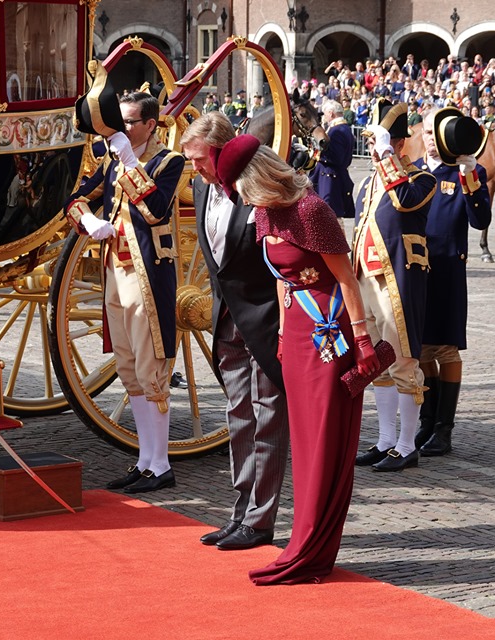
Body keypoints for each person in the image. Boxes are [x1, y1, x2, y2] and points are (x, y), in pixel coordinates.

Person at [212, 134, 377, 585]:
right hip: (298, 337)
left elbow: (346, 279)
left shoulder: (310, 210)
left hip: (331, 332)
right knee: (303, 443)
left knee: (323, 443)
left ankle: (312, 550)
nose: (241, 198)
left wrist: (361, 342)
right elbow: (280, 277)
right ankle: (300, 541)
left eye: (241, 186)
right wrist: (283, 336)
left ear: (258, 177)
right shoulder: (265, 212)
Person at [66, 85, 185, 493]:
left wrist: (129, 159)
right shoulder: (114, 160)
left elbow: (153, 210)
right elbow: (77, 198)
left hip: (147, 274)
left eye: (130, 121)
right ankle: (145, 459)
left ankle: (162, 463)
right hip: (115, 271)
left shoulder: (170, 161)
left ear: (150, 124)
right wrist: (88, 222)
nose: (121, 127)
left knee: (151, 364)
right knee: (128, 365)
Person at [182, 113, 289, 551]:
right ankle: (241, 512)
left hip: (265, 322)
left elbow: (286, 259)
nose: (194, 169)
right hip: (226, 321)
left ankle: (261, 522)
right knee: (238, 417)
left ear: (222, 151)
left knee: (266, 418)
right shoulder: (200, 188)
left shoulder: (259, 186)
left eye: (198, 160)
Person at [352, 99, 436, 472]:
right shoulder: (371, 181)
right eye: (371, 144)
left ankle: (406, 444)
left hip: (397, 280)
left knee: (402, 359)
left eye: (380, 143)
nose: (372, 151)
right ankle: (386, 440)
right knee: (379, 364)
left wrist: (386, 153)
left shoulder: (421, 179)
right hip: (365, 277)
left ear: (399, 144)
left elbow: (403, 201)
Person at [413, 108, 491, 456]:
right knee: (422, 348)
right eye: (427, 132)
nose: (431, 139)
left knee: (446, 348)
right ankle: (426, 422)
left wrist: (469, 174)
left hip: (447, 270)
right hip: (415, 270)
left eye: (437, 132)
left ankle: (444, 428)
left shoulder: (466, 171)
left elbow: (480, 219)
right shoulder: (413, 172)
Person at [310, 99, 355, 220]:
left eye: (325, 114)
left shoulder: (337, 131)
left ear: (331, 113)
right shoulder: (342, 128)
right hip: (332, 176)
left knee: (329, 216)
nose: (324, 117)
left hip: (330, 178)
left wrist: (317, 154)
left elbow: (336, 157)